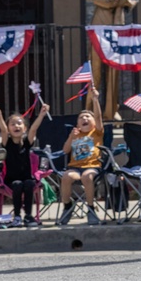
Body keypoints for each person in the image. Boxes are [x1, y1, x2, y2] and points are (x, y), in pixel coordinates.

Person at [0, 102, 50, 227]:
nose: (16, 126)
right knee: (17, 184)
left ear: (24, 128)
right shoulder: (7, 143)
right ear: (8, 128)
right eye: (12, 124)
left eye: (19, 123)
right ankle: (17, 216)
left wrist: (41, 115)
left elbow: (34, 129)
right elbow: (2, 128)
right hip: (11, 181)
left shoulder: (27, 142)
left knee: (29, 183)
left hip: (27, 178)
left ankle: (28, 216)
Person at [58, 87, 104, 226]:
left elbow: (98, 117)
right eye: (81, 117)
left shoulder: (96, 133)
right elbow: (65, 150)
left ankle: (90, 208)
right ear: (77, 123)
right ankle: (67, 206)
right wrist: (71, 137)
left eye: (87, 117)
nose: (84, 118)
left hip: (93, 166)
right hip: (75, 167)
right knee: (66, 177)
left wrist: (95, 100)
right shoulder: (75, 135)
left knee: (87, 176)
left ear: (94, 123)